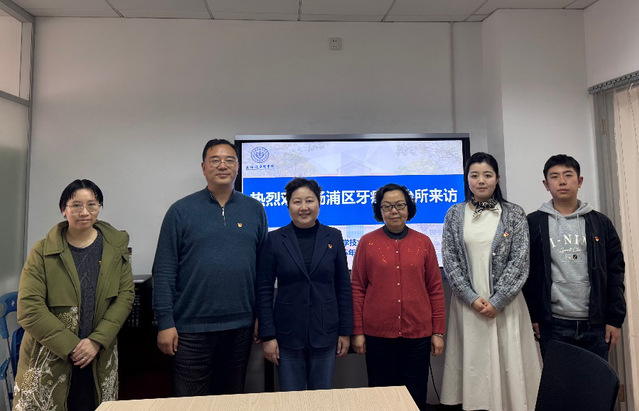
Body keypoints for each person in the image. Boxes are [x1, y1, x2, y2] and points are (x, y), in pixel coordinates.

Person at [152, 139, 268, 396]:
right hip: (190, 329)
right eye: (215, 160)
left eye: (229, 160)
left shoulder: (255, 209)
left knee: (230, 399)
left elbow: (263, 271)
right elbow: (164, 271)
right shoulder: (180, 211)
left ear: (238, 166)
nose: (222, 166)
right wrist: (165, 323)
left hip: (240, 326)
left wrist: (263, 316)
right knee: (190, 402)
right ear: (204, 167)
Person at [14, 179, 134, 411]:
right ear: (64, 209)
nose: (84, 212)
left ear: (99, 207)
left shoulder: (115, 248)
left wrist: (96, 341)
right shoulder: (42, 251)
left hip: (99, 353)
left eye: (92, 204)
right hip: (51, 354)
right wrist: (72, 346)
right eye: (76, 205)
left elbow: (125, 296)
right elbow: (29, 308)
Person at [440, 152, 541, 411]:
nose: (481, 181)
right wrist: (471, 298)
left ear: (497, 178)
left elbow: (520, 260)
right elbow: (450, 260)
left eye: (487, 175)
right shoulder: (454, 214)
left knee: (509, 365)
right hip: (468, 305)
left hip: (506, 305)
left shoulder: (514, 213)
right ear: (467, 180)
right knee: (474, 366)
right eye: (474, 175)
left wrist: (498, 300)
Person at [351, 183, 445, 411]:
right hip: (377, 335)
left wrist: (438, 332)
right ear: (379, 210)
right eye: (387, 206)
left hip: (418, 335)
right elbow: (357, 288)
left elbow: (435, 288)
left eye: (400, 205)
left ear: (408, 208)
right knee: (382, 396)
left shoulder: (424, 242)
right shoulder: (367, 242)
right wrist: (358, 332)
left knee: (414, 395)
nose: (394, 211)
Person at [523, 154, 626, 360]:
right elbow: (528, 274)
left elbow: (615, 271)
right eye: (554, 176)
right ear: (546, 184)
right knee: (559, 380)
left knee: (595, 379)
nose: (562, 181)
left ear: (579, 181)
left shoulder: (600, 223)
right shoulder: (533, 223)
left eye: (568, 175)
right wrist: (534, 316)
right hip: (553, 323)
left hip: (596, 324)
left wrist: (615, 319)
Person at [256, 178, 353, 391]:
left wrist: (345, 331)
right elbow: (263, 290)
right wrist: (268, 335)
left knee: (321, 398)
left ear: (319, 203)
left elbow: (343, 287)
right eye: (297, 202)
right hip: (287, 335)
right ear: (288, 205)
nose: (304, 207)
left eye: (309, 200)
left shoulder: (333, 236)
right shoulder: (274, 239)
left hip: (325, 332)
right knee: (292, 400)